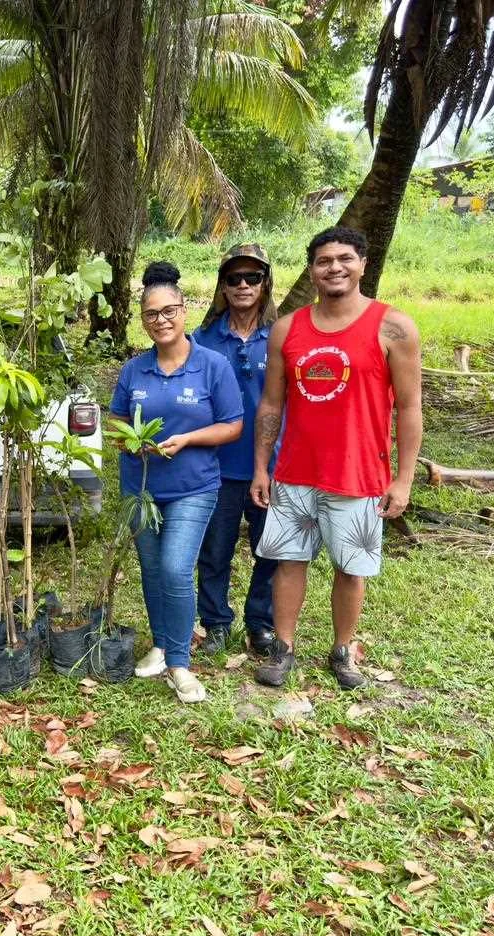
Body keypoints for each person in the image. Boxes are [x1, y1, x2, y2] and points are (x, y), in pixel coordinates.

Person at [250, 226, 423, 689]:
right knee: (289, 562)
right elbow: (271, 404)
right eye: (324, 261)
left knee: (350, 568)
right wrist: (262, 467)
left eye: (345, 258)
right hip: (295, 472)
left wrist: (404, 479)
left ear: (363, 264)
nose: (335, 268)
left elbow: (410, 407)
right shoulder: (288, 329)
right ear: (312, 270)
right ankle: (283, 647)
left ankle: (343, 651)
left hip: (359, 473)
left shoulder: (393, 327)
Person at [115, 262, 244, 703]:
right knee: (152, 569)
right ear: (143, 320)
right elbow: (116, 421)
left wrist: (187, 439)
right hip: (141, 487)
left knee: (175, 568)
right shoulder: (134, 370)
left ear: (184, 311)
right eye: (151, 314)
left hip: (193, 486)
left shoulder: (212, 366)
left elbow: (233, 425)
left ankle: (179, 663)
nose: (161, 320)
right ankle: (160, 643)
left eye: (169, 311)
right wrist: (132, 442)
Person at [191, 244, 280, 658]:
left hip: (272, 466)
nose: (243, 285)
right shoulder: (202, 340)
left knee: (270, 551)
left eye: (252, 277)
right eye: (234, 278)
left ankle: (260, 624)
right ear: (222, 287)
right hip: (218, 467)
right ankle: (215, 623)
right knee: (214, 551)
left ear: (265, 284)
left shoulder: (282, 337)